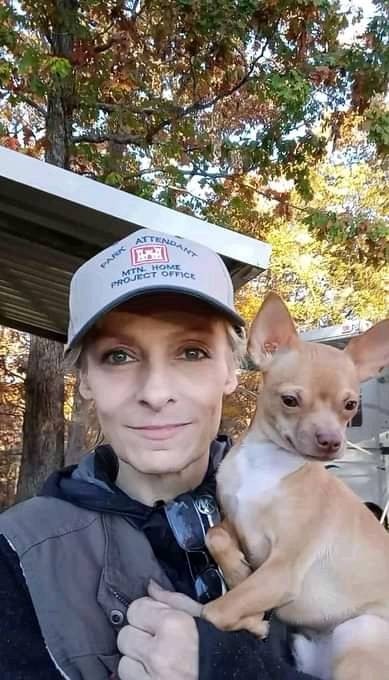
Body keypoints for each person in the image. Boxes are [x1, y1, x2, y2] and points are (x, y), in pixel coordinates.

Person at [0, 228, 317, 680]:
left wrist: (225, 667)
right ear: (85, 380)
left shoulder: (320, 513)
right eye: (118, 357)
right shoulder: (18, 555)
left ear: (231, 369)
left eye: (191, 352)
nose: (155, 392)